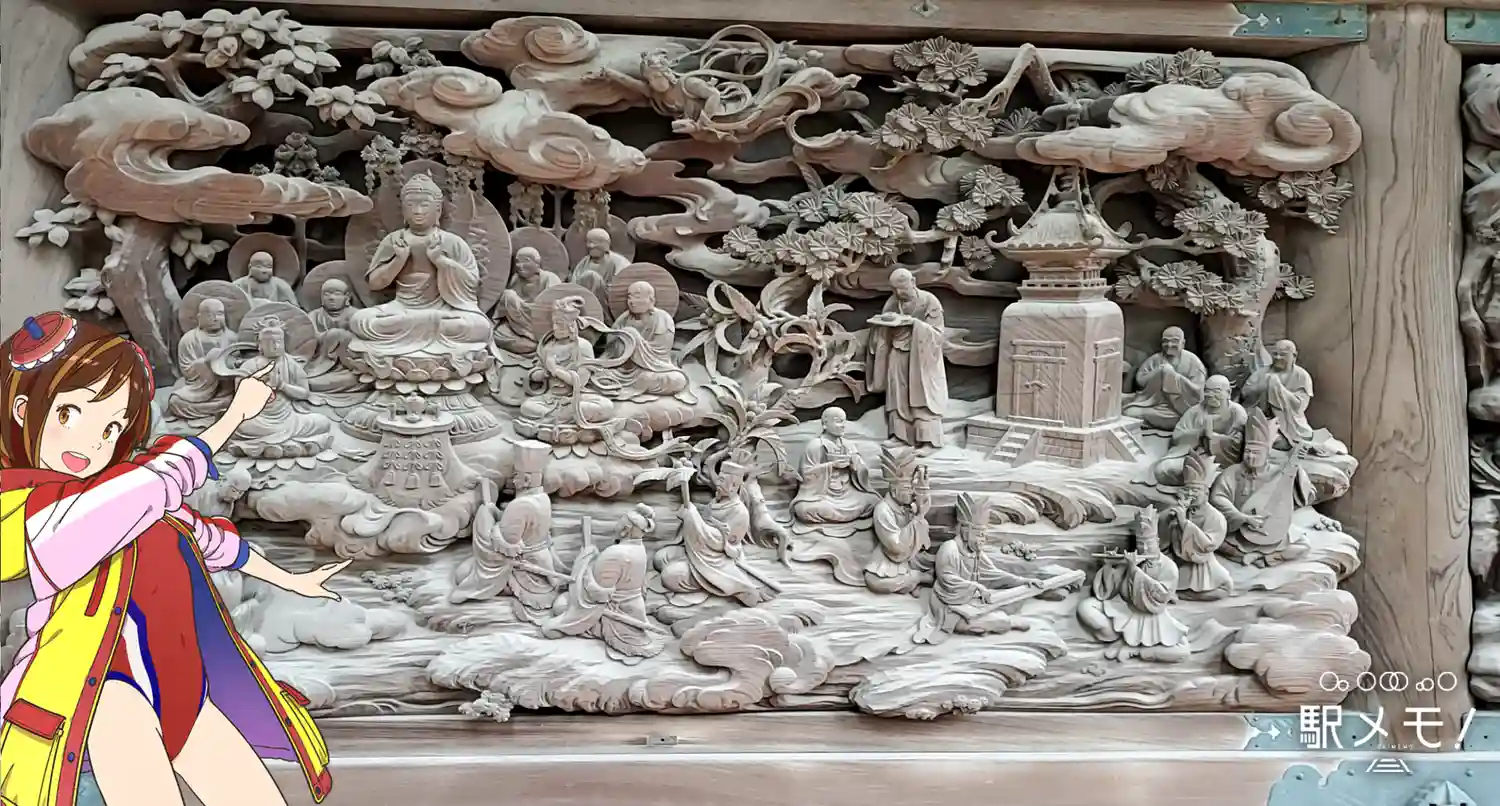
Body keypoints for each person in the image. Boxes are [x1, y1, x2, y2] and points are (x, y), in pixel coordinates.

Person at [0, 312, 347, 806]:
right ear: (22, 410)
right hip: (100, 685)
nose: (92, 443)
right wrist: (233, 417)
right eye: (71, 413)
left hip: (177, 678)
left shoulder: (126, 491)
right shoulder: (32, 507)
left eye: (111, 427)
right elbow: (149, 487)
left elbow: (208, 539)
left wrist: (294, 580)